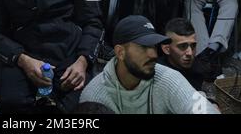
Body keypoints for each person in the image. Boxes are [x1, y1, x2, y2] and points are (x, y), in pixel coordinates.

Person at [79, 15, 220, 114]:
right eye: (143, 47)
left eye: (153, 46)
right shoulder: (94, 96)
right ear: (120, 52)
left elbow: (198, 107)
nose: (153, 54)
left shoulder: (167, 77)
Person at [158, 18, 203, 91]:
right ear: (167, 49)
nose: (190, 53)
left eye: (193, 45)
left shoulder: (197, 69)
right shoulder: (157, 75)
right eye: (183, 46)